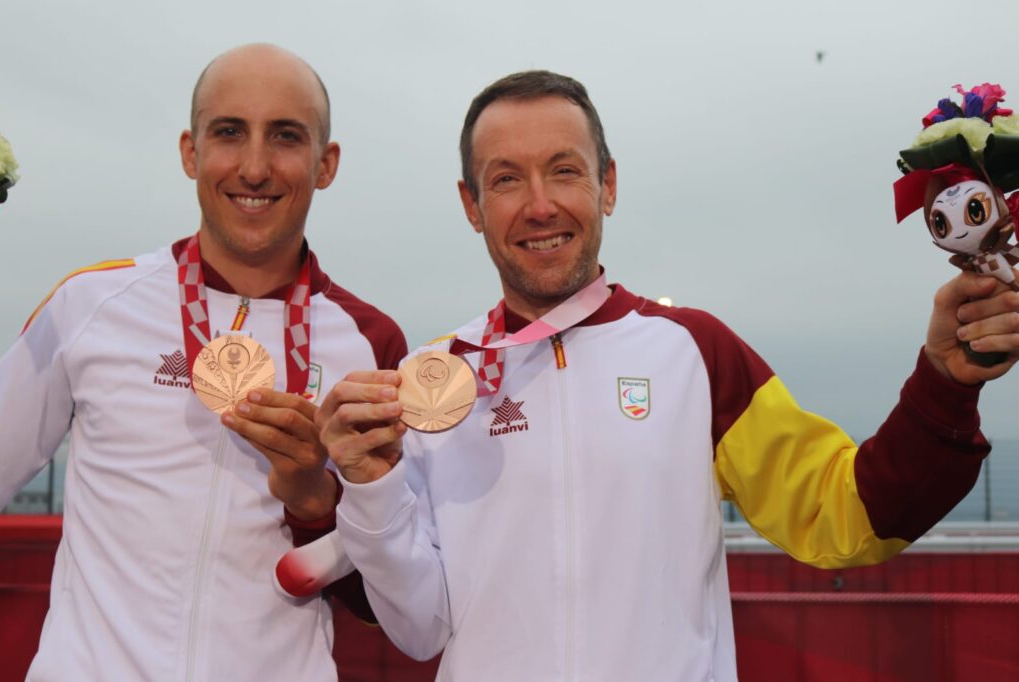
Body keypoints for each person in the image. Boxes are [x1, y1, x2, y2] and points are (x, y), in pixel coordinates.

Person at [316, 70, 1019, 681]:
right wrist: (368, 486)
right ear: (472, 205)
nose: (539, 205)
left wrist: (944, 383)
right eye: (506, 179)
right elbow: (418, 629)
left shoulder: (697, 354)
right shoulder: (431, 381)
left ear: (608, 184)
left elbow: (848, 515)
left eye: (564, 170)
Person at [0, 44, 405, 681]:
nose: (255, 166)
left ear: (326, 164)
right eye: (230, 132)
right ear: (190, 151)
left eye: (286, 137)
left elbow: (388, 606)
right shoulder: (91, 304)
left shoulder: (371, 344)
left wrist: (312, 502)